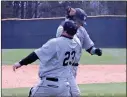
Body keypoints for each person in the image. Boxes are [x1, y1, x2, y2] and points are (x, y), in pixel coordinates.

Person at [13, 20, 82, 97]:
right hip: (64, 86)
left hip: (49, 85)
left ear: (64, 30)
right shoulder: (76, 44)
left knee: (32, 92)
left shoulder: (55, 42)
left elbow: (36, 55)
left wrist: (20, 63)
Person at [56, 6, 102, 96]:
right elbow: (62, 35)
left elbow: (89, 48)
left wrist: (95, 51)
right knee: (65, 91)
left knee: (73, 93)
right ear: (74, 19)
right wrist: (68, 16)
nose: (81, 24)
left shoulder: (82, 30)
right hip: (62, 66)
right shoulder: (62, 28)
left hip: (73, 67)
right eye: (80, 22)